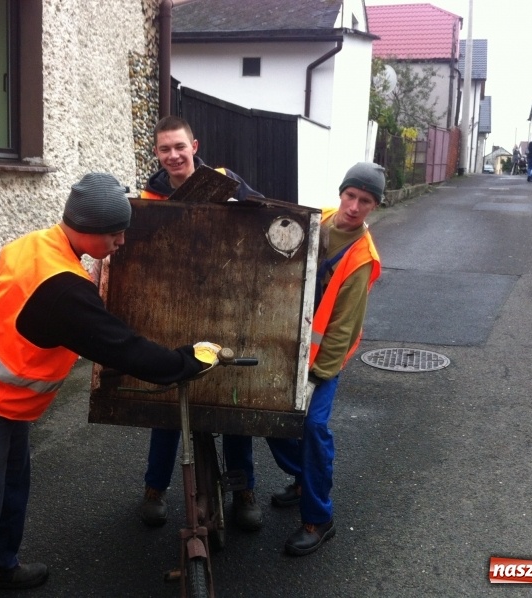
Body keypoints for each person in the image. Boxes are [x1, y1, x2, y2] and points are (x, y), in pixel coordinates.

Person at [0, 173, 221, 597]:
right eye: (115, 234)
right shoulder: (63, 288)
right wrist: (184, 361)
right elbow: (120, 347)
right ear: (89, 228)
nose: (121, 242)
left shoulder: (33, 244)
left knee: (9, 492)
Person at [138, 115, 265, 532]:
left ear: (194, 146)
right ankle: (154, 488)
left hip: (225, 302)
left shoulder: (225, 181)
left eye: (180, 146)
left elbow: (260, 220)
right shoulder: (150, 198)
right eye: (165, 149)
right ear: (156, 153)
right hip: (173, 306)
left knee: (232, 400)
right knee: (168, 401)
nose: (173, 155)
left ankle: (243, 490)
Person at [267, 162, 384, 556]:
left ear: (374, 206)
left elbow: (343, 328)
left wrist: (317, 376)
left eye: (364, 201)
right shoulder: (319, 220)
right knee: (270, 418)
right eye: (350, 195)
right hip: (285, 345)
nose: (353, 206)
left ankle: (319, 518)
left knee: (313, 427)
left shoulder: (361, 257)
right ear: (341, 193)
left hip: (322, 360)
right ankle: (304, 478)